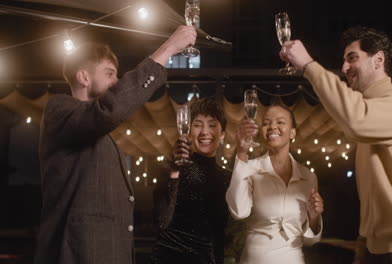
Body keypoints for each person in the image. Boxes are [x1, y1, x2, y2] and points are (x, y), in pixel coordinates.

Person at [34, 25, 197, 264]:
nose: (116, 81)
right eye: (110, 73)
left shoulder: (98, 134)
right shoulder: (58, 110)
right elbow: (110, 110)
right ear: (84, 77)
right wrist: (168, 49)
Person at [280, 26, 392, 263]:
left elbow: (356, 119)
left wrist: (308, 65)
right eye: (344, 61)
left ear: (378, 59)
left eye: (352, 58)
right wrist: (364, 244)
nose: (345, 68)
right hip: (374, 250)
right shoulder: (369, 110)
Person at [226, 104, 324, 264]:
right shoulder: (250, 167)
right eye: (266, 123)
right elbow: (238, 212)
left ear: (293, 132)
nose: (272, 126)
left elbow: (310, 241)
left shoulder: (308, 177)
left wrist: (314, 216)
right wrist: (242, 153)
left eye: (280, 122)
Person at [150, 98, 231, 264]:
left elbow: (221, 236)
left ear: (222, 135)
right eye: (198, 124)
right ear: (188, 131)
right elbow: (162, 220)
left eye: (212, 125)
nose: (204, 132)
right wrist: (174, 171)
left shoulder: (228, 177)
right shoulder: (172, 167)